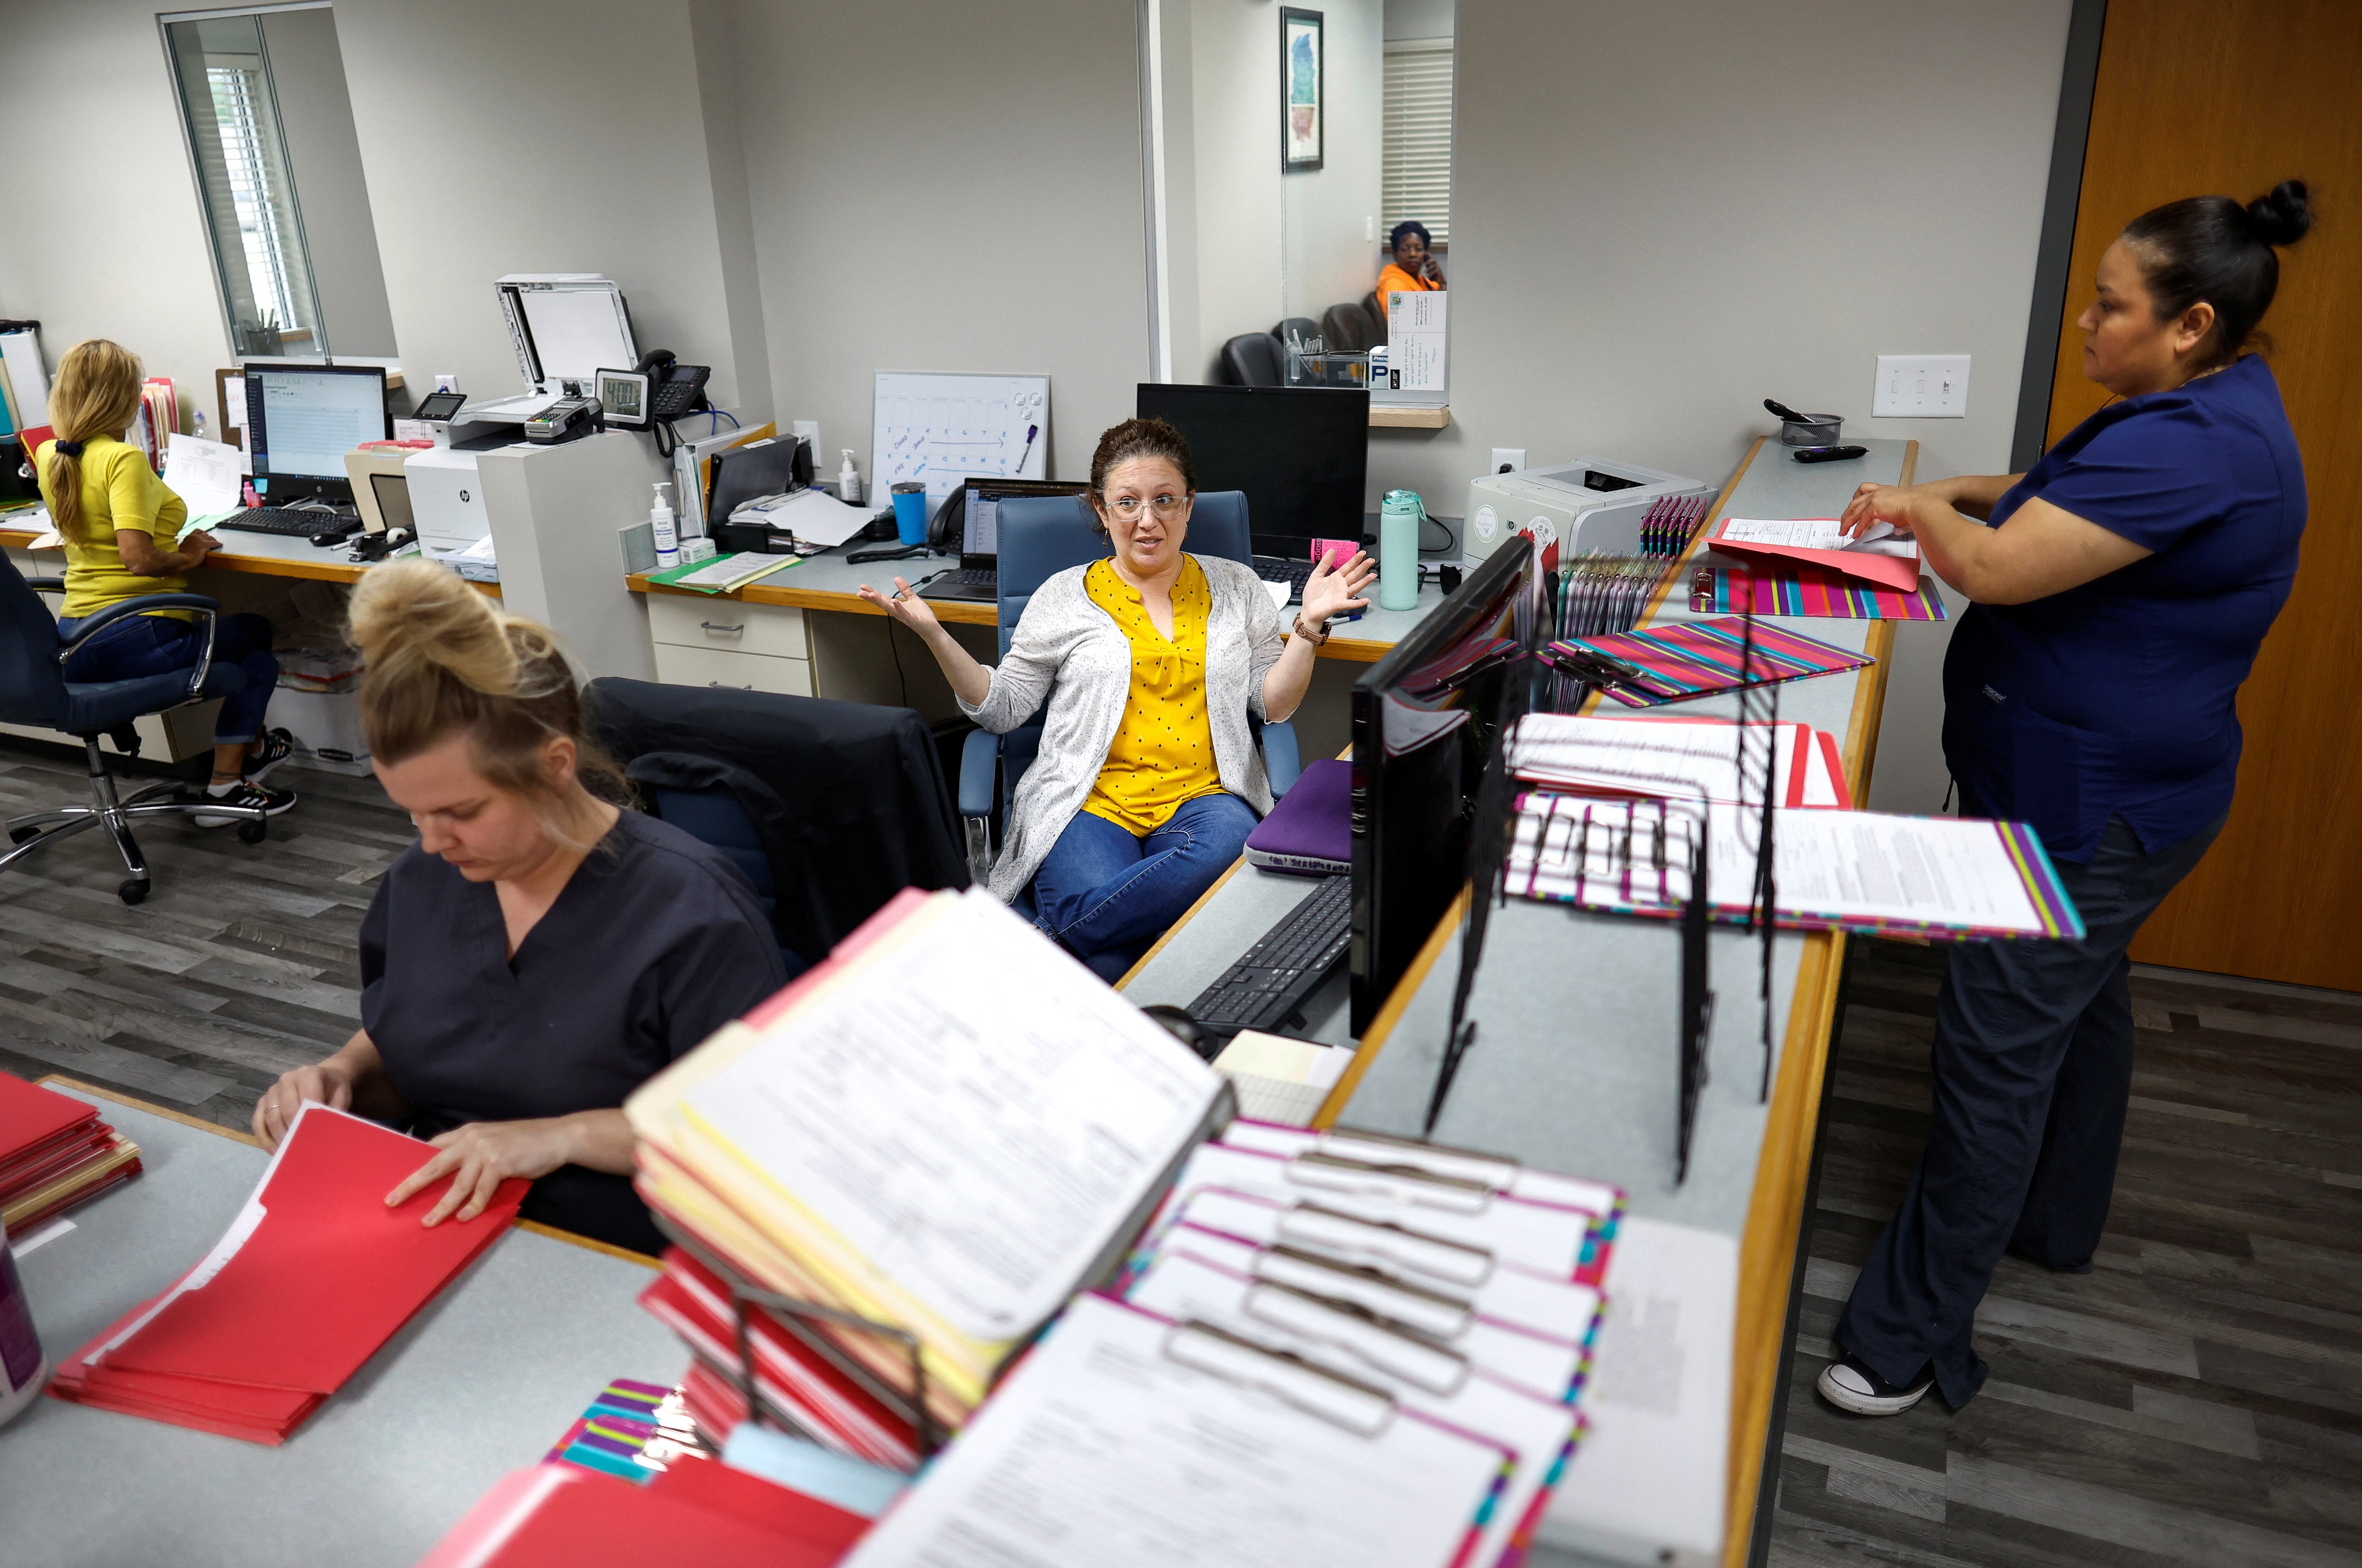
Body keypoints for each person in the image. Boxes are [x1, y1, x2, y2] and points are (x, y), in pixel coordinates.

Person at [1819, 181, 2313, 1417]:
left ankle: (1901, 1341)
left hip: (2084, 812)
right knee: (2080, 1008)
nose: (2086, 325)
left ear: (2190, 323)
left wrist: (1924, 507)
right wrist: (1942, 493)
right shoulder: (2193, 407)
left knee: (1992, 1055)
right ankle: (2053, 1220)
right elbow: (2041, 492)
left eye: (2108, 307)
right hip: (2106, 793)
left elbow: (1992, 564)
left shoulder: (2195, 444)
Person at [251, 560, 787, 1255]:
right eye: (413, 814)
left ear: (554, 765)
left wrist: (561, 1138)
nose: (434, 843)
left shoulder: (691, 912)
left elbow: (745, 1139)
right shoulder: (422, 884)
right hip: (442, 1232)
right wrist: (340, 1079)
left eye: (460, 812)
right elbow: (415, 1039)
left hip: (620, 1255)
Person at [857, 418, 1375, 980]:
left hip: (1204, 800)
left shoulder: (1237, 585)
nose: (1147, 520)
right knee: (1112, 961)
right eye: (1127, 502)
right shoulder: (1062, 596)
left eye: (1164, 500)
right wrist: (936, 634)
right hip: (1088, 804)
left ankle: (1044, 936)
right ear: (1102, 511)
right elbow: (1003, 707)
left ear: (1189, 506)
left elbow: (1273, 706)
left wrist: (1308, 628)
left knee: (1229, 840)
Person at [34, 339, 295, 825]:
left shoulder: (53, 451)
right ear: (122, 399)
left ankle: (250, 756)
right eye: (134, 390)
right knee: (256, 645)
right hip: (139, 633)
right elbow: (136, 559)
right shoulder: (121, 459)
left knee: (247, 638)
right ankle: (227, 783)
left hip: (78, 638)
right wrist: (190, 553)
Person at [1377, 220, 1446, 299]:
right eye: (1405, 249)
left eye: (1419, 249)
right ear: (1395, 254)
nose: (1412, 254)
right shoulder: (1394, 285)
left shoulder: (1420, 280)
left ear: (1426, 254)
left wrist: (1441, 281)